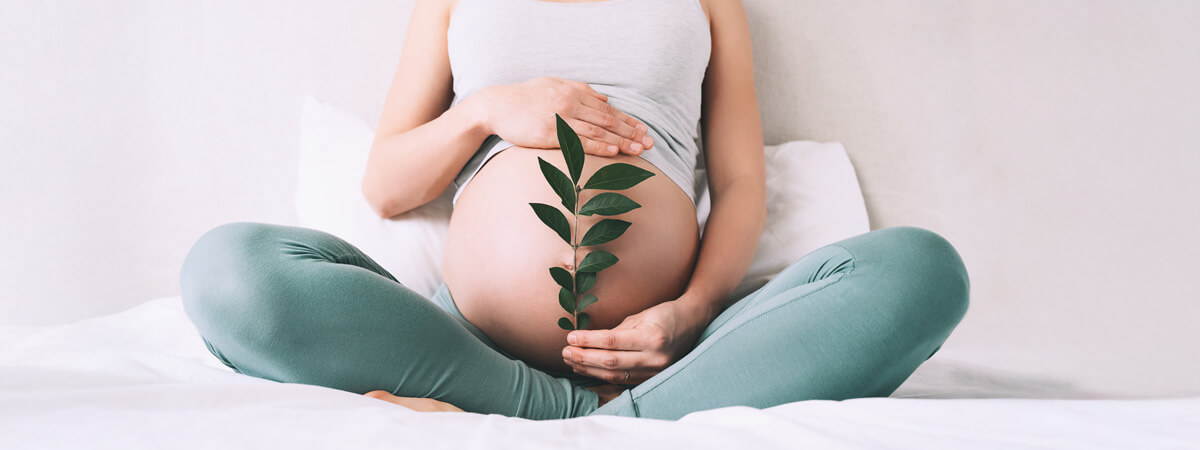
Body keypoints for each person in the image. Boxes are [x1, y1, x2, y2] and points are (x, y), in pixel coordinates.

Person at [179, 0, 970, 421]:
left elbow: (738, 185)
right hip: (464, 341)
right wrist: (486, 111)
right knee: (227, 271)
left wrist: (690, 314)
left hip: (679, 350)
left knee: (923, 271)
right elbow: (386, 183)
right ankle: (584, 414)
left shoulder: (709, 0)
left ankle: (613, 410)